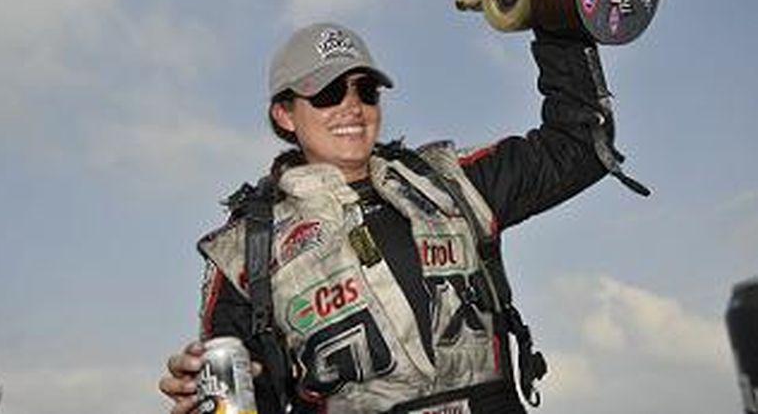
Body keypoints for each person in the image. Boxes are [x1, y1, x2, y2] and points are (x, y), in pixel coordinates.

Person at [159, 21, 645, 413]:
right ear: (285, 114)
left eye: (364, 89)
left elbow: (579, 148)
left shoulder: (451, 180)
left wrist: (556, 23)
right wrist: (199, 397)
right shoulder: (245, 249)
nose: (351, 106)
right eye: (328, 93)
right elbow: (247, 401)